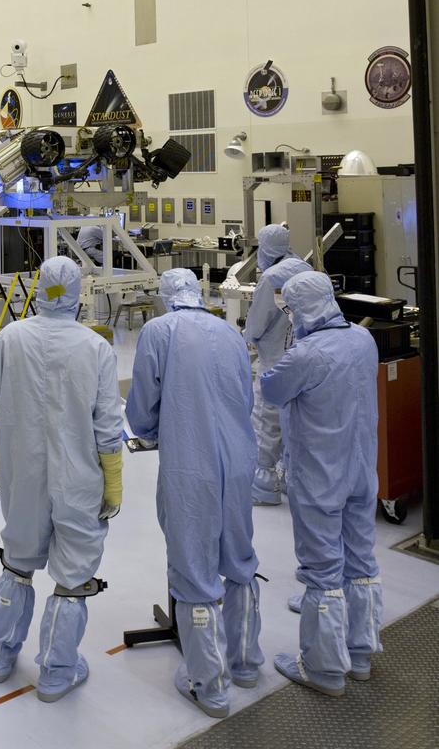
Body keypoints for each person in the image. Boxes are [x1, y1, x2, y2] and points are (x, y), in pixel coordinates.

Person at [0, 256, 123, 702]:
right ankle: (57, 673)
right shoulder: (95, 348)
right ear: (79, 294)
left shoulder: (9, 338)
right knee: (72, 573)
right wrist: (113, 480)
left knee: (18, 561)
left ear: (39, 289)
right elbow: (108, 424)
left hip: (21, 471)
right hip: (79, 476)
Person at [126, 268, 262, 720]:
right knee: (240, 561)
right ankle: (245, 664)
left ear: (166, 296)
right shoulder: (228, 331)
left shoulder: (159, 331)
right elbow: (245, 399)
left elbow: (144, 403)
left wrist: (149, 431)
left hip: (191, 465)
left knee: (194, 570)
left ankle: (211, 687)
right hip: (240, 461)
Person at [261, 271, 382, 696]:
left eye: (290, 310)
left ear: (301, 308)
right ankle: (362, 654)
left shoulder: (306, 355)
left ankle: (325, 670)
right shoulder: (362, 340)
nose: (289, 317)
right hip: (362, 469)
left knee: (323, 571)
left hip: (319, 476)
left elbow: (272, 391)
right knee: (362, 562)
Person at [245, 225, 308, 505]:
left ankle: (264, 484)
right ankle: (290, 478)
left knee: (266, 421)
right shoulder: (306, 268)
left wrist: (247, 338)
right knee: (295, 421)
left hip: (274, 359)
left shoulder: (271, 278)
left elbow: (257, 322)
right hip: (304, 357)